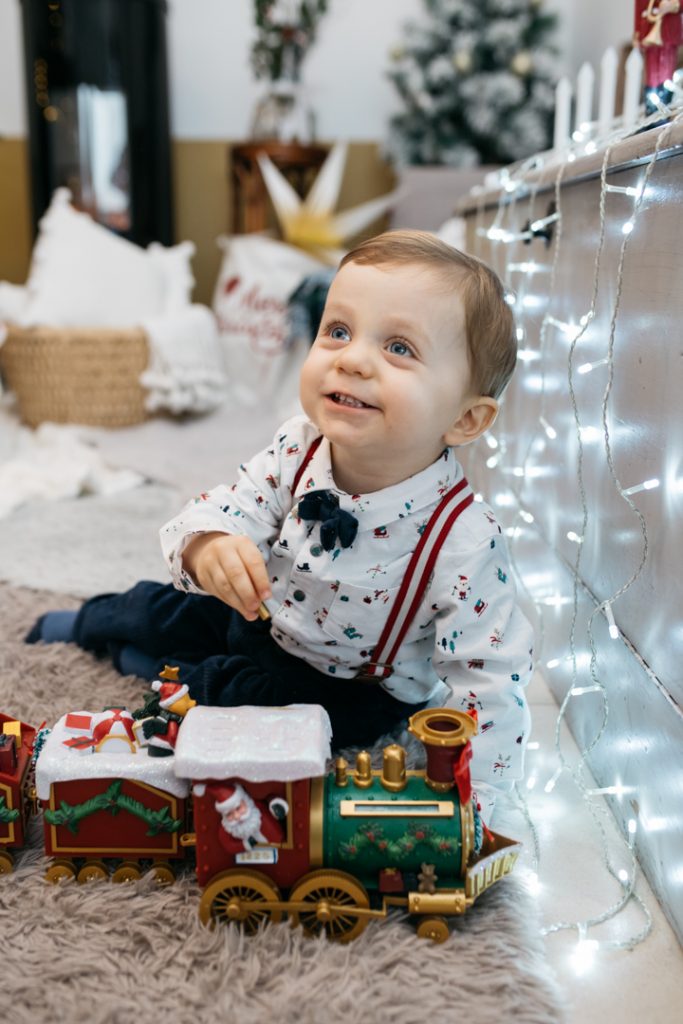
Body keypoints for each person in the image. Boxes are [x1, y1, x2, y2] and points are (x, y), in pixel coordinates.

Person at [27, 230, 533, 820]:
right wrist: (210, 546)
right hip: (262, 614)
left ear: (467, 418)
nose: (353, 358)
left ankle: (147, 668)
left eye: (399, 348)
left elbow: (488, 677)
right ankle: (98, 620)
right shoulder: (298, 447)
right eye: (337, 331)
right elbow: (226, 505)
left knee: (240, 707)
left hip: (348, 689)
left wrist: (484, 804)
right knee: (170, 607)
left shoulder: (462, 538)